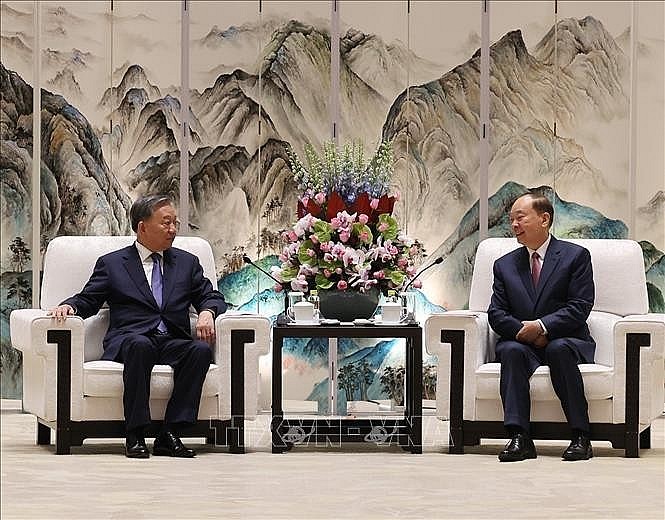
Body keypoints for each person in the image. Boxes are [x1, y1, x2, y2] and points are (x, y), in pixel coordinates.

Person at [48, 194, 227, 458]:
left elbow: (211, 296)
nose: (173, 230)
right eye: (166, 223)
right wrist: (70, 307)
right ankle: (135, 433)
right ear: (142, 227)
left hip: (170, 341)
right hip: (130, 339)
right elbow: (90, 299)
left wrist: (207, 312)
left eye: (175, 223)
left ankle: (170, 433)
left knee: (199, 351)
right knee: (140, 345)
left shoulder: (187, 263)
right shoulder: (112, 264)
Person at [488, 192, 595, 462]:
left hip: (566, 339)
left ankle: (581, 436)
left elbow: (580, 306)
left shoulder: (575, 257)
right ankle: (520, 437)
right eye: (511, 219)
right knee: (510, 350)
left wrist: (542, 327)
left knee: (559, 349)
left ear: (544, 219)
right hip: (523, 343)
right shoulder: (504, 265)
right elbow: (496, 313)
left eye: (520, 217)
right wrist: (525, 332)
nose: (513, 225)